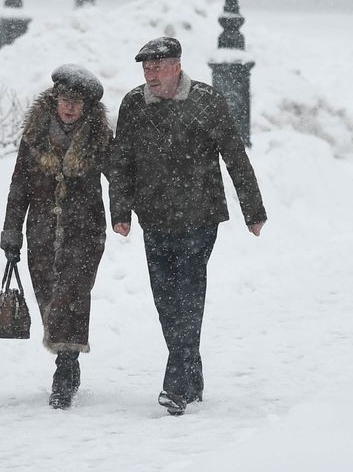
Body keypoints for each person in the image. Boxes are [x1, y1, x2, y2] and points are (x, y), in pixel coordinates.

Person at [109, 37, 267, 416]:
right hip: (155, 217)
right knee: (166, 301)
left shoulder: (207, 101)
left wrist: (253, 209)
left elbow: (234, 154)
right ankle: (191, 375)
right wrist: (121, 211)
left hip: (200, 215)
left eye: (158, 67)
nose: (151, 75)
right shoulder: (134, 104)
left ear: (177, 66)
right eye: (146, 68)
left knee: (189, 294)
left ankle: (176, 384)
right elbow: (121, 161)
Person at [0, 64, 112, 410]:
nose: (69, 107)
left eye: (76, 103)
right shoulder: (35, 134)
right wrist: (11, 231)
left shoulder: (98, 138)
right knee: (49, 295)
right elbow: (19, 185)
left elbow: (120, 177)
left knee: (74, 294)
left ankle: (65, 368)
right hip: (42, 231)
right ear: (55, 99)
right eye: (65, 99)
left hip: (85, 229)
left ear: (87, 107)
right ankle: (68, 357)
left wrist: (126, 214)